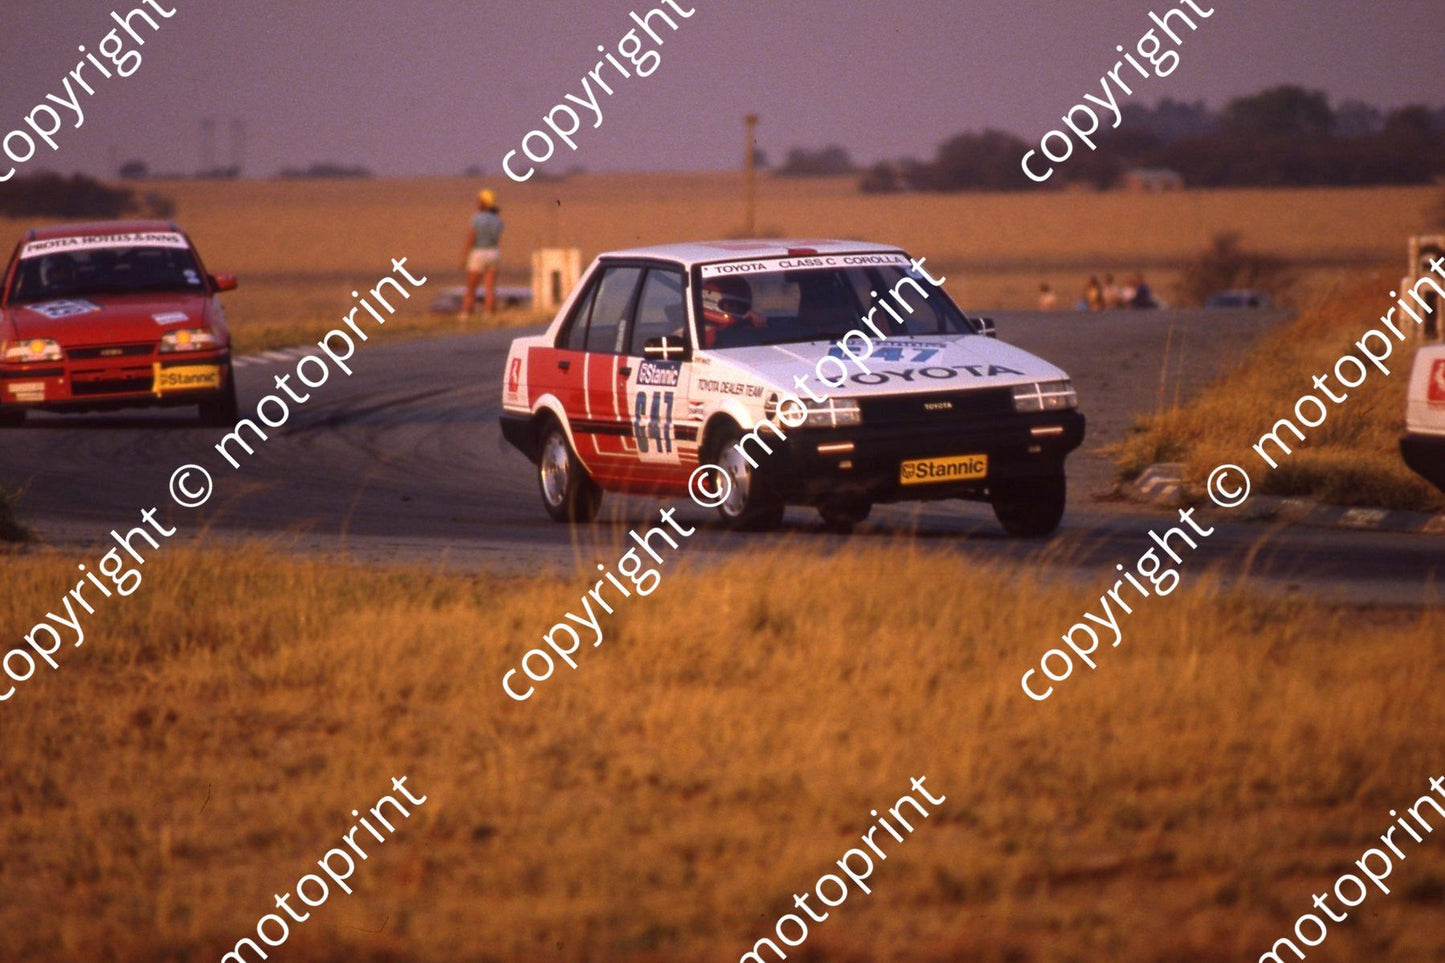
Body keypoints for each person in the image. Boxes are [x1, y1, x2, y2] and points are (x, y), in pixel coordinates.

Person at [460, 188, 503, 320]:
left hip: (479, 252)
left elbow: (471, 238)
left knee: (471, 286)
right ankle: (488, 313)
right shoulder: (498, 219)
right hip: (494, 252)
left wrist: (464, 256)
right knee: (490, 287)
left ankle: (466, 313)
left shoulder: (477, 218)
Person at [700, 276, 766, 348]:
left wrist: (760, 326)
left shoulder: (746, 328)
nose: (736, 309)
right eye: (730, 305)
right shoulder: (697, 333)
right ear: (710, 300)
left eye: (741, 307)